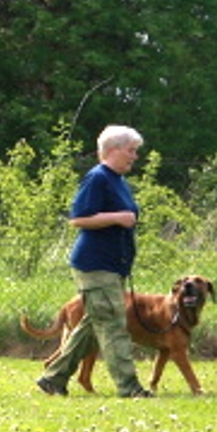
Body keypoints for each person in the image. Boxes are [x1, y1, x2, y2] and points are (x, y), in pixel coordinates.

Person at [36, 125, 154, 398]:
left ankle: (53, 378)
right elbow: (78, 218)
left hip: (112, 266)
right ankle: (129, 387)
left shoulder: (118, 180)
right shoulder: (98, 178)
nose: (135, 156)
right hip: (95, 265)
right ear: (112, 150)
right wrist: (116, 218)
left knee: (92, 326)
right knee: (113, 324)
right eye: (131, 151)